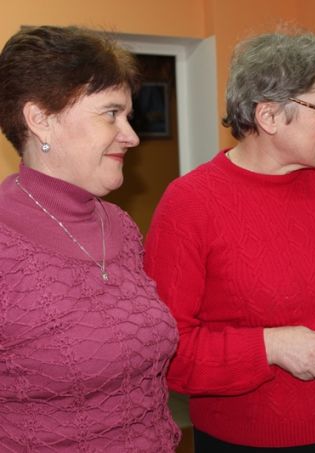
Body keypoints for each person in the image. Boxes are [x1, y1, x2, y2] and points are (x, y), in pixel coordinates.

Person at [144, 30, 315, 452]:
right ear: (269, 117)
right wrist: (269, 347)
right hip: (252, 441)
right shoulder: (189, 204)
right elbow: (168, 352)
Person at [0, 26, 179, 451]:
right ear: (41, 120)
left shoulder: (120, 226)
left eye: (128, 116)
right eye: (111, 113)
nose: (132, 136)